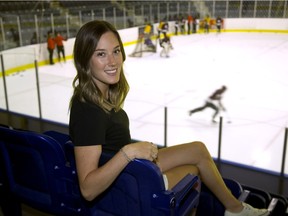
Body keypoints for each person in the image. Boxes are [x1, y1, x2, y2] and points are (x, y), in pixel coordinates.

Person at [69, 20, 269, 216]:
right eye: (101, 54)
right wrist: (129, 151)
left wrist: (130, 153)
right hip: (126, 185)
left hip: (130, 172)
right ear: (85, 59)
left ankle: (235, 209)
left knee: (197, 150)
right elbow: (88, 189)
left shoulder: (100, 97)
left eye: (116, 51)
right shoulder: (89, 111)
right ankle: (235, 210)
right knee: (193, 172)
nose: (113, 61)